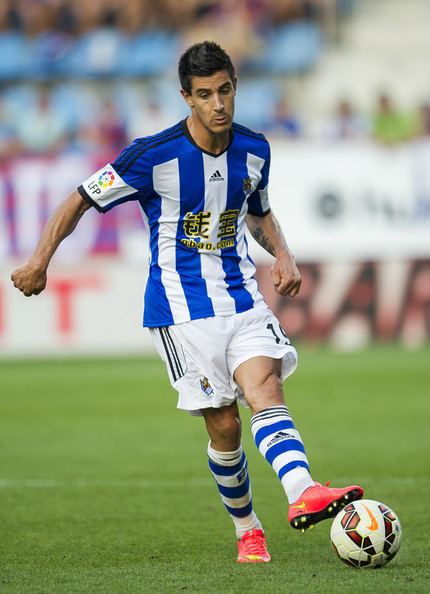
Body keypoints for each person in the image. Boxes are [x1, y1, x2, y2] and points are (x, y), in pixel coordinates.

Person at [11, 41, 363, 563]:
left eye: (225, 91)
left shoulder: (255, 149)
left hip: (241, 296)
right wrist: (40, 260)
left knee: (265, 387)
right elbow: (79, 198)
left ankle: (301, 492)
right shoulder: (151, 155)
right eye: (205, 95)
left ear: (235, 87)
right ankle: (248, 528)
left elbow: (258, 210)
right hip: (180, 311)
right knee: (224, 425)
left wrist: (283, 254)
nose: (218, 104)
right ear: (186, 97)